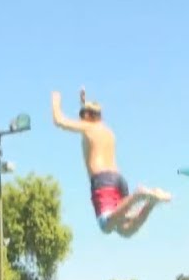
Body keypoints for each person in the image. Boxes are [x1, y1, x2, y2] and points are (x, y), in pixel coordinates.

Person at [51, 88, 171, 237]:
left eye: (82, 114)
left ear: (88, 116)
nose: (80, 118)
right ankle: (151, 202)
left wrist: (56, 101)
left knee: (106, 225)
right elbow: (88, 127)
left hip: (103, 181)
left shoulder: (89, 127)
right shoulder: (107, 131)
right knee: (126, 230)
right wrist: (83, 103)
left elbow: (59, 121)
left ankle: (138, 195)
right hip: (119, 180)